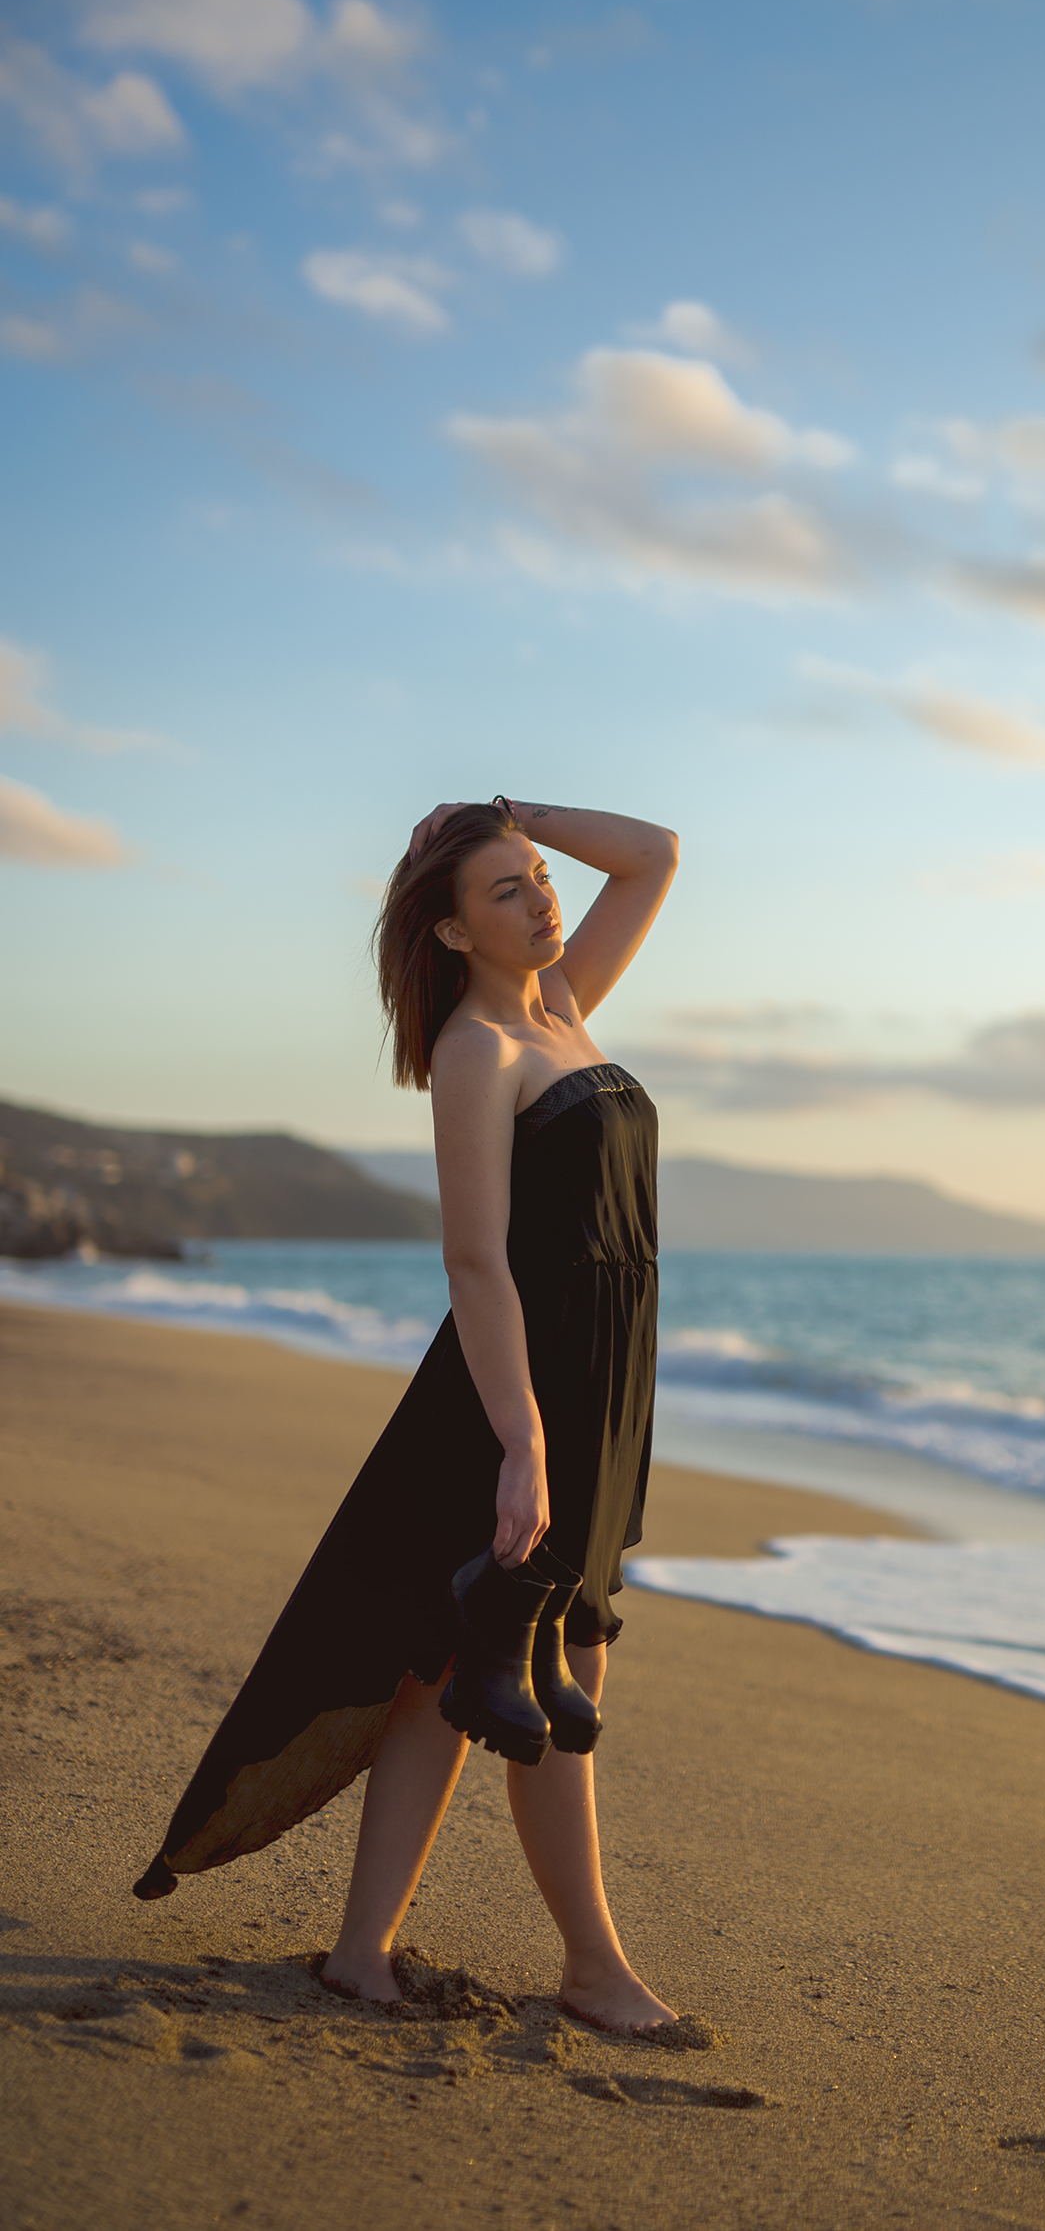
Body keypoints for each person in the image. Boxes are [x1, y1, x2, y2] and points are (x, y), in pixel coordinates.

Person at [132, 796, 681, 2036]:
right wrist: (524, 1441)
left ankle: (360, 1952)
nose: (544, 897)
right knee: (554, 1657)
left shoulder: (567, 1004)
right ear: (448, 932)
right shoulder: (481, 1052)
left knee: (447, 1674)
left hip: (601, 1381)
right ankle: (592, 1965)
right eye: (508, 889)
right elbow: (476, 1262)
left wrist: (511, 810)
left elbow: (655, 855)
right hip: (515, 1394)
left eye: (542, 878)